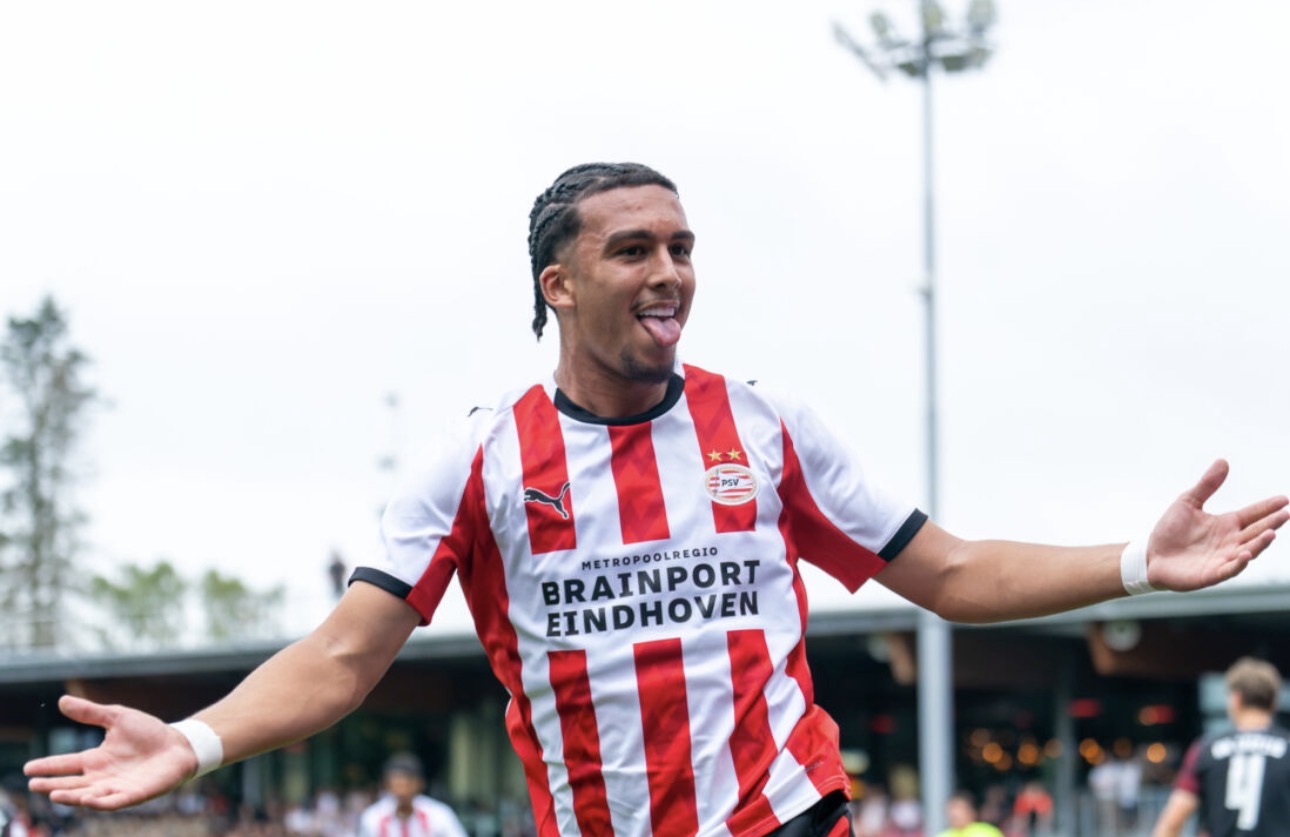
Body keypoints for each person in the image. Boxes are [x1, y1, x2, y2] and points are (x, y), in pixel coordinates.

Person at [23, 162, 1289, 837]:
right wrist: (194, 743)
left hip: (787, 820)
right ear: (559, 284)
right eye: (633, 249)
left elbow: (950, 574)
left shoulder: (768, 426)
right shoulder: (477, 461)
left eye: (682, 247)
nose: (670, 270)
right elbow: (345, 659)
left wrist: (1137, 559)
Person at [1152, 657, 1290, 837]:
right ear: (1274, 702)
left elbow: (1171, 823)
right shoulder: (1287, 748)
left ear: (1236, 699)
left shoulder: (1206, 750)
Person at [357, 752, 467, 837]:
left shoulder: (439, 815)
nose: (402, 792)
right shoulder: (373, 817)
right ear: (387, 785)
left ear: (420, 784)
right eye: (397, 785)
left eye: (407, 784)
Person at [935, 791, 1003, 837]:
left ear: (971, 811)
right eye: (952, 809)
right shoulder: (943, 835)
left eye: (960, 808)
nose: (955, 814)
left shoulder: (987, 833)